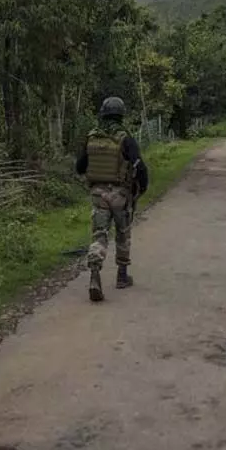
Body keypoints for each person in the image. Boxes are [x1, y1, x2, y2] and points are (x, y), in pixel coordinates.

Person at [75, 96, 149, 302]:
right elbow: (140, 167)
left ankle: (95, 275)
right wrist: (141, 189)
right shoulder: (125, 138)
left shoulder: (92, 137)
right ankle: (122, 276)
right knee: (123, 235)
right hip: (120, 195)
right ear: (121, 115)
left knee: (99, 235)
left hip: (98, 194)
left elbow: (80, 167)